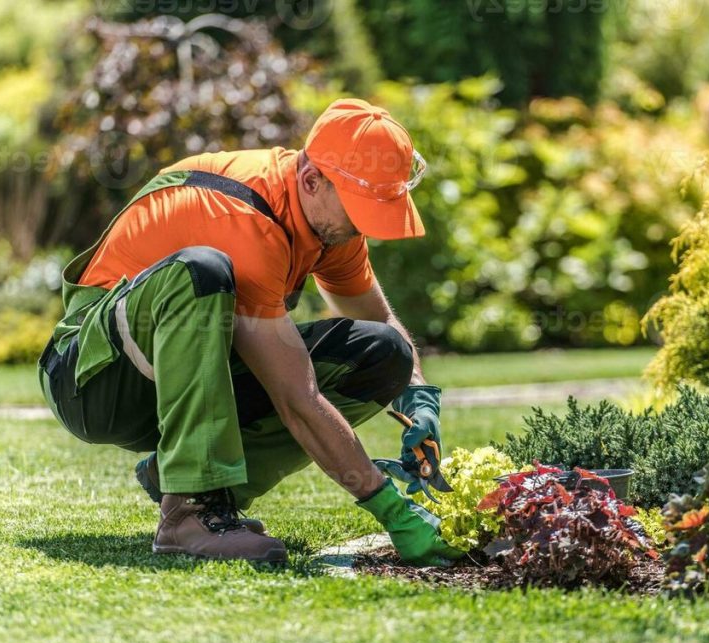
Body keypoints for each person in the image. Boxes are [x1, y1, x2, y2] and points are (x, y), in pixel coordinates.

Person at [38, 98, 462, 567]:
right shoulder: (243, 219)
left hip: (171, 374)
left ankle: (195, 484)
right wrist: (390, 509)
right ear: (312, 180)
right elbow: (296, 399)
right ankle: (190, 509)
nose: (368, 229)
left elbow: (381, 323)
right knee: (201, 270)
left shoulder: (327, 225)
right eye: (361, 211)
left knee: (387, 353)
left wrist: (419, 395)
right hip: (91, 379)